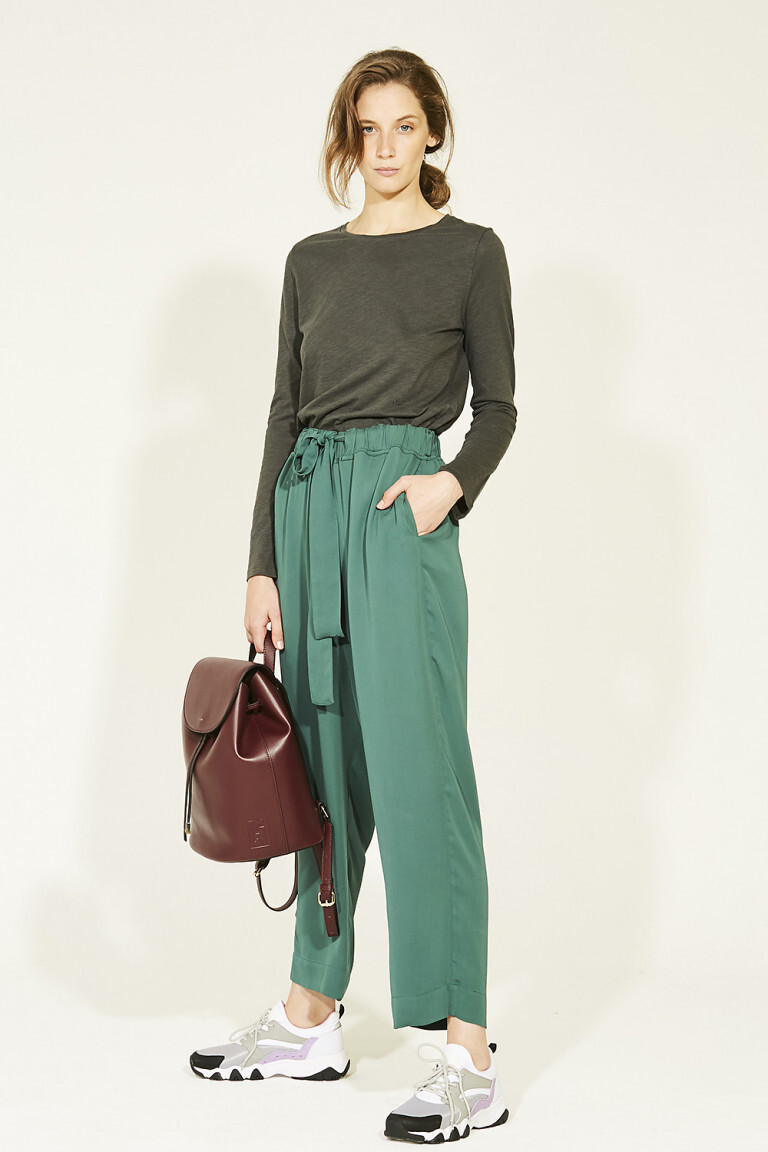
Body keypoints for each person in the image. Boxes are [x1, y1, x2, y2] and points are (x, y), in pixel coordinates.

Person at [189, 46, 517, 1143]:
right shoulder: (311, 261)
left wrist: (448, 488)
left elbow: (501, 407)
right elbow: (283, 413)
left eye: (404, 126)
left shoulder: (471, 253)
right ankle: (310, 1016)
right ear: (348, 139)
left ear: (433, 135)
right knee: (321, 776)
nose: (385, 147)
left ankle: (467, 1052)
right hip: (308, 511)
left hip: (396, 511)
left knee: (423, 775)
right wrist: (263, 561)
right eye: (368, 128)